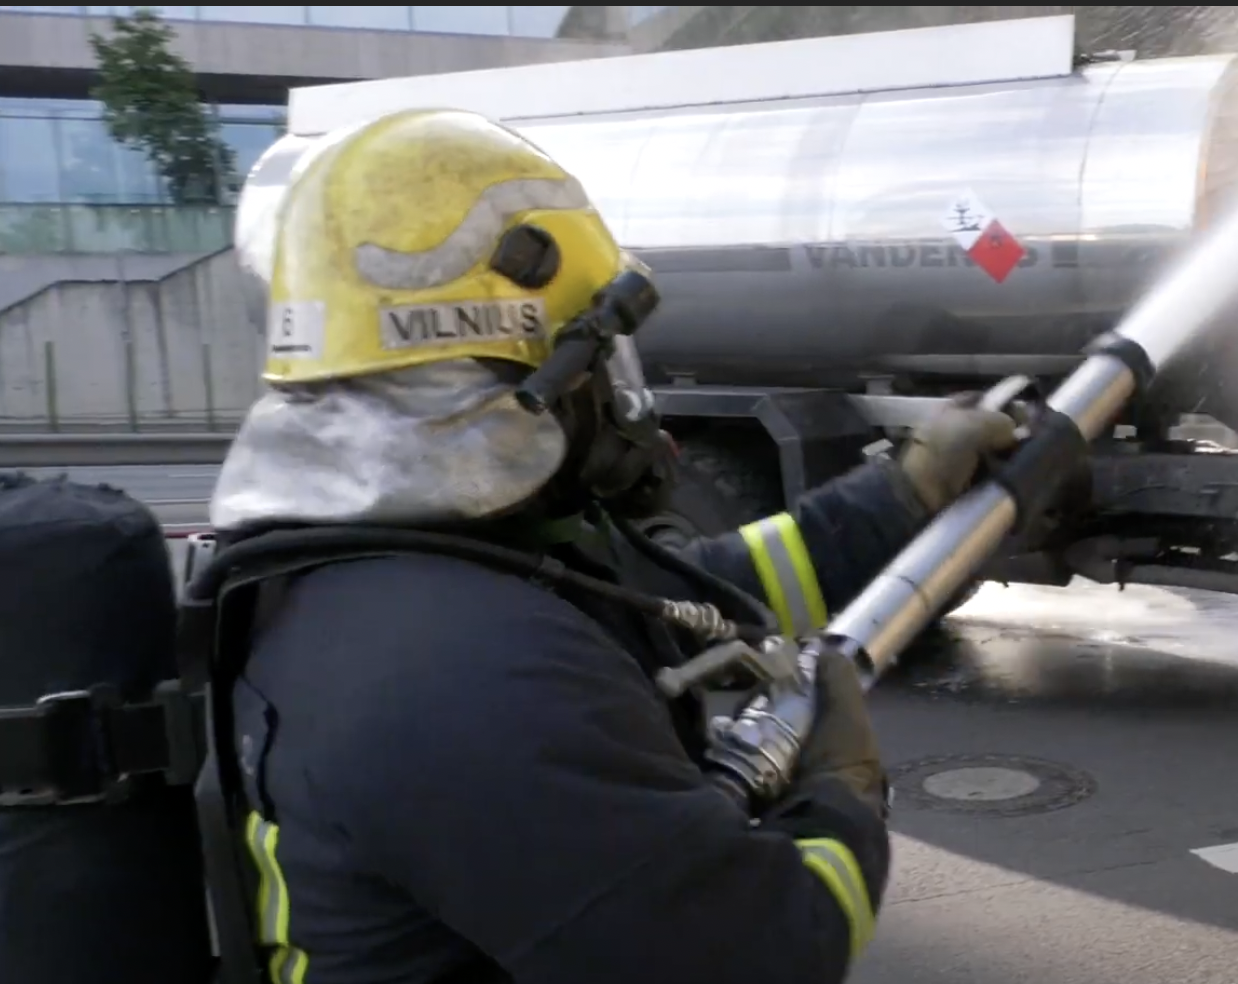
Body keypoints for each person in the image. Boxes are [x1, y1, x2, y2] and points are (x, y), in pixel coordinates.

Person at [209, 107, 1018, 984]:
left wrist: (903, 494)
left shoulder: (400, 577)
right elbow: (757, 951)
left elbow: (692, 598)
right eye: (604, 357)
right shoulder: (472, 675)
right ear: (542, 376)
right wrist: (842, 801)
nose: (621, 395)